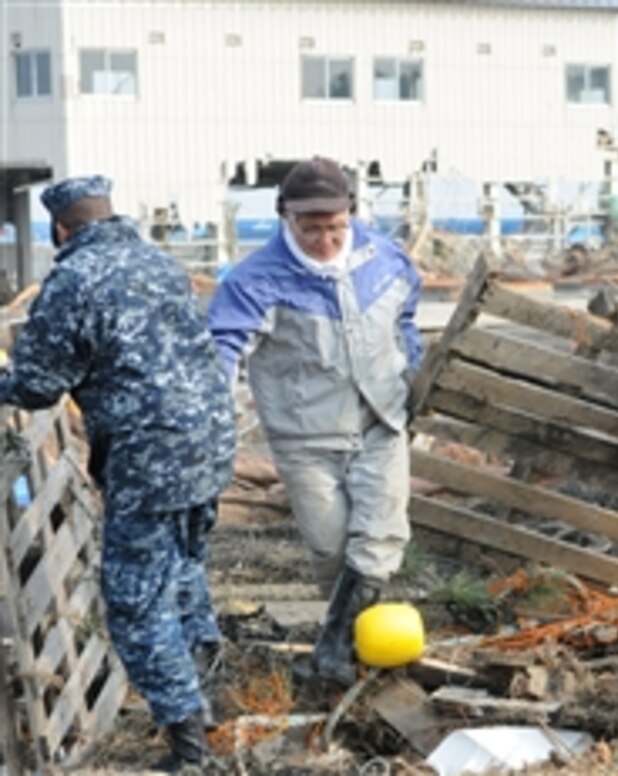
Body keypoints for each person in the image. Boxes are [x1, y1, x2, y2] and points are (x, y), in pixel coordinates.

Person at [0, 176, 236, 771]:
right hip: (208, 442)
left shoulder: (75, 279)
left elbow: (34, 385)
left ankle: (190, 746)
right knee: (182, 566)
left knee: (133, 600)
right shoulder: (158, 263)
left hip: (149, 456)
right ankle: (210, 691)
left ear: (61, 229)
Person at [208, 156, 422, 686]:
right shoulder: (256, 280)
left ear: (350, 214)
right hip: (306, 439)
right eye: (312, 229)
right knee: (331, 550)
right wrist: (213, 415)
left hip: (381, 422)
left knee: (377, 542)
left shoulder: (385, 259)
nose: (325, 240)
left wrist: (415, 372)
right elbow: (223, 350)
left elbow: (408, 319)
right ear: (286, 218)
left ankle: (336, 653)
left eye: (335, 227)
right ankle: (358, 645)